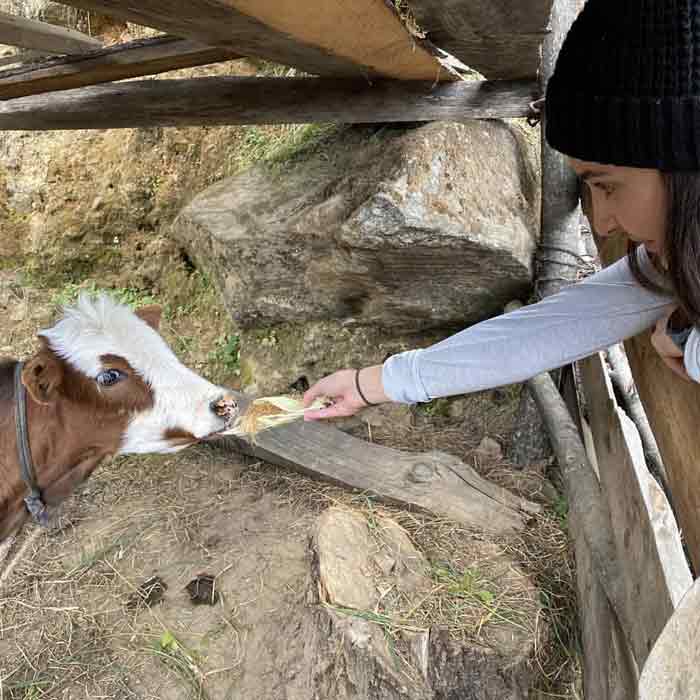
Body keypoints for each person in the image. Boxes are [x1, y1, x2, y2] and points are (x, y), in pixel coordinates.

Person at [303, 0, 700, 421]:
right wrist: (375, 383)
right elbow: (560, 325)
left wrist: (686, 341)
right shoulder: (674, 255)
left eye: (606, 185)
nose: (602, 221)